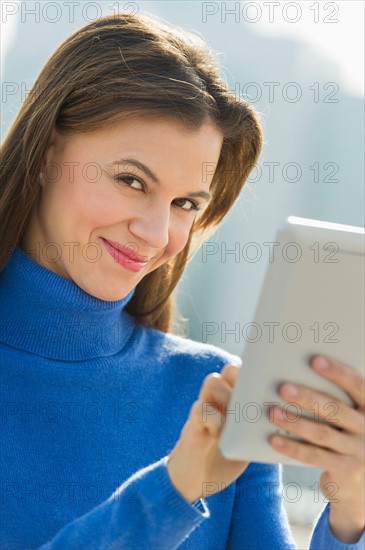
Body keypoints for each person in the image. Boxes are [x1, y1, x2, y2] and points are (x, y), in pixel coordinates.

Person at [0, 11, 363, 550]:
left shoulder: (213, 393)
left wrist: (349, 517)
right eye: (131, 180)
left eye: (184, 203)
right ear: (49, 151)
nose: (154, 232)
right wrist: (173, 492)